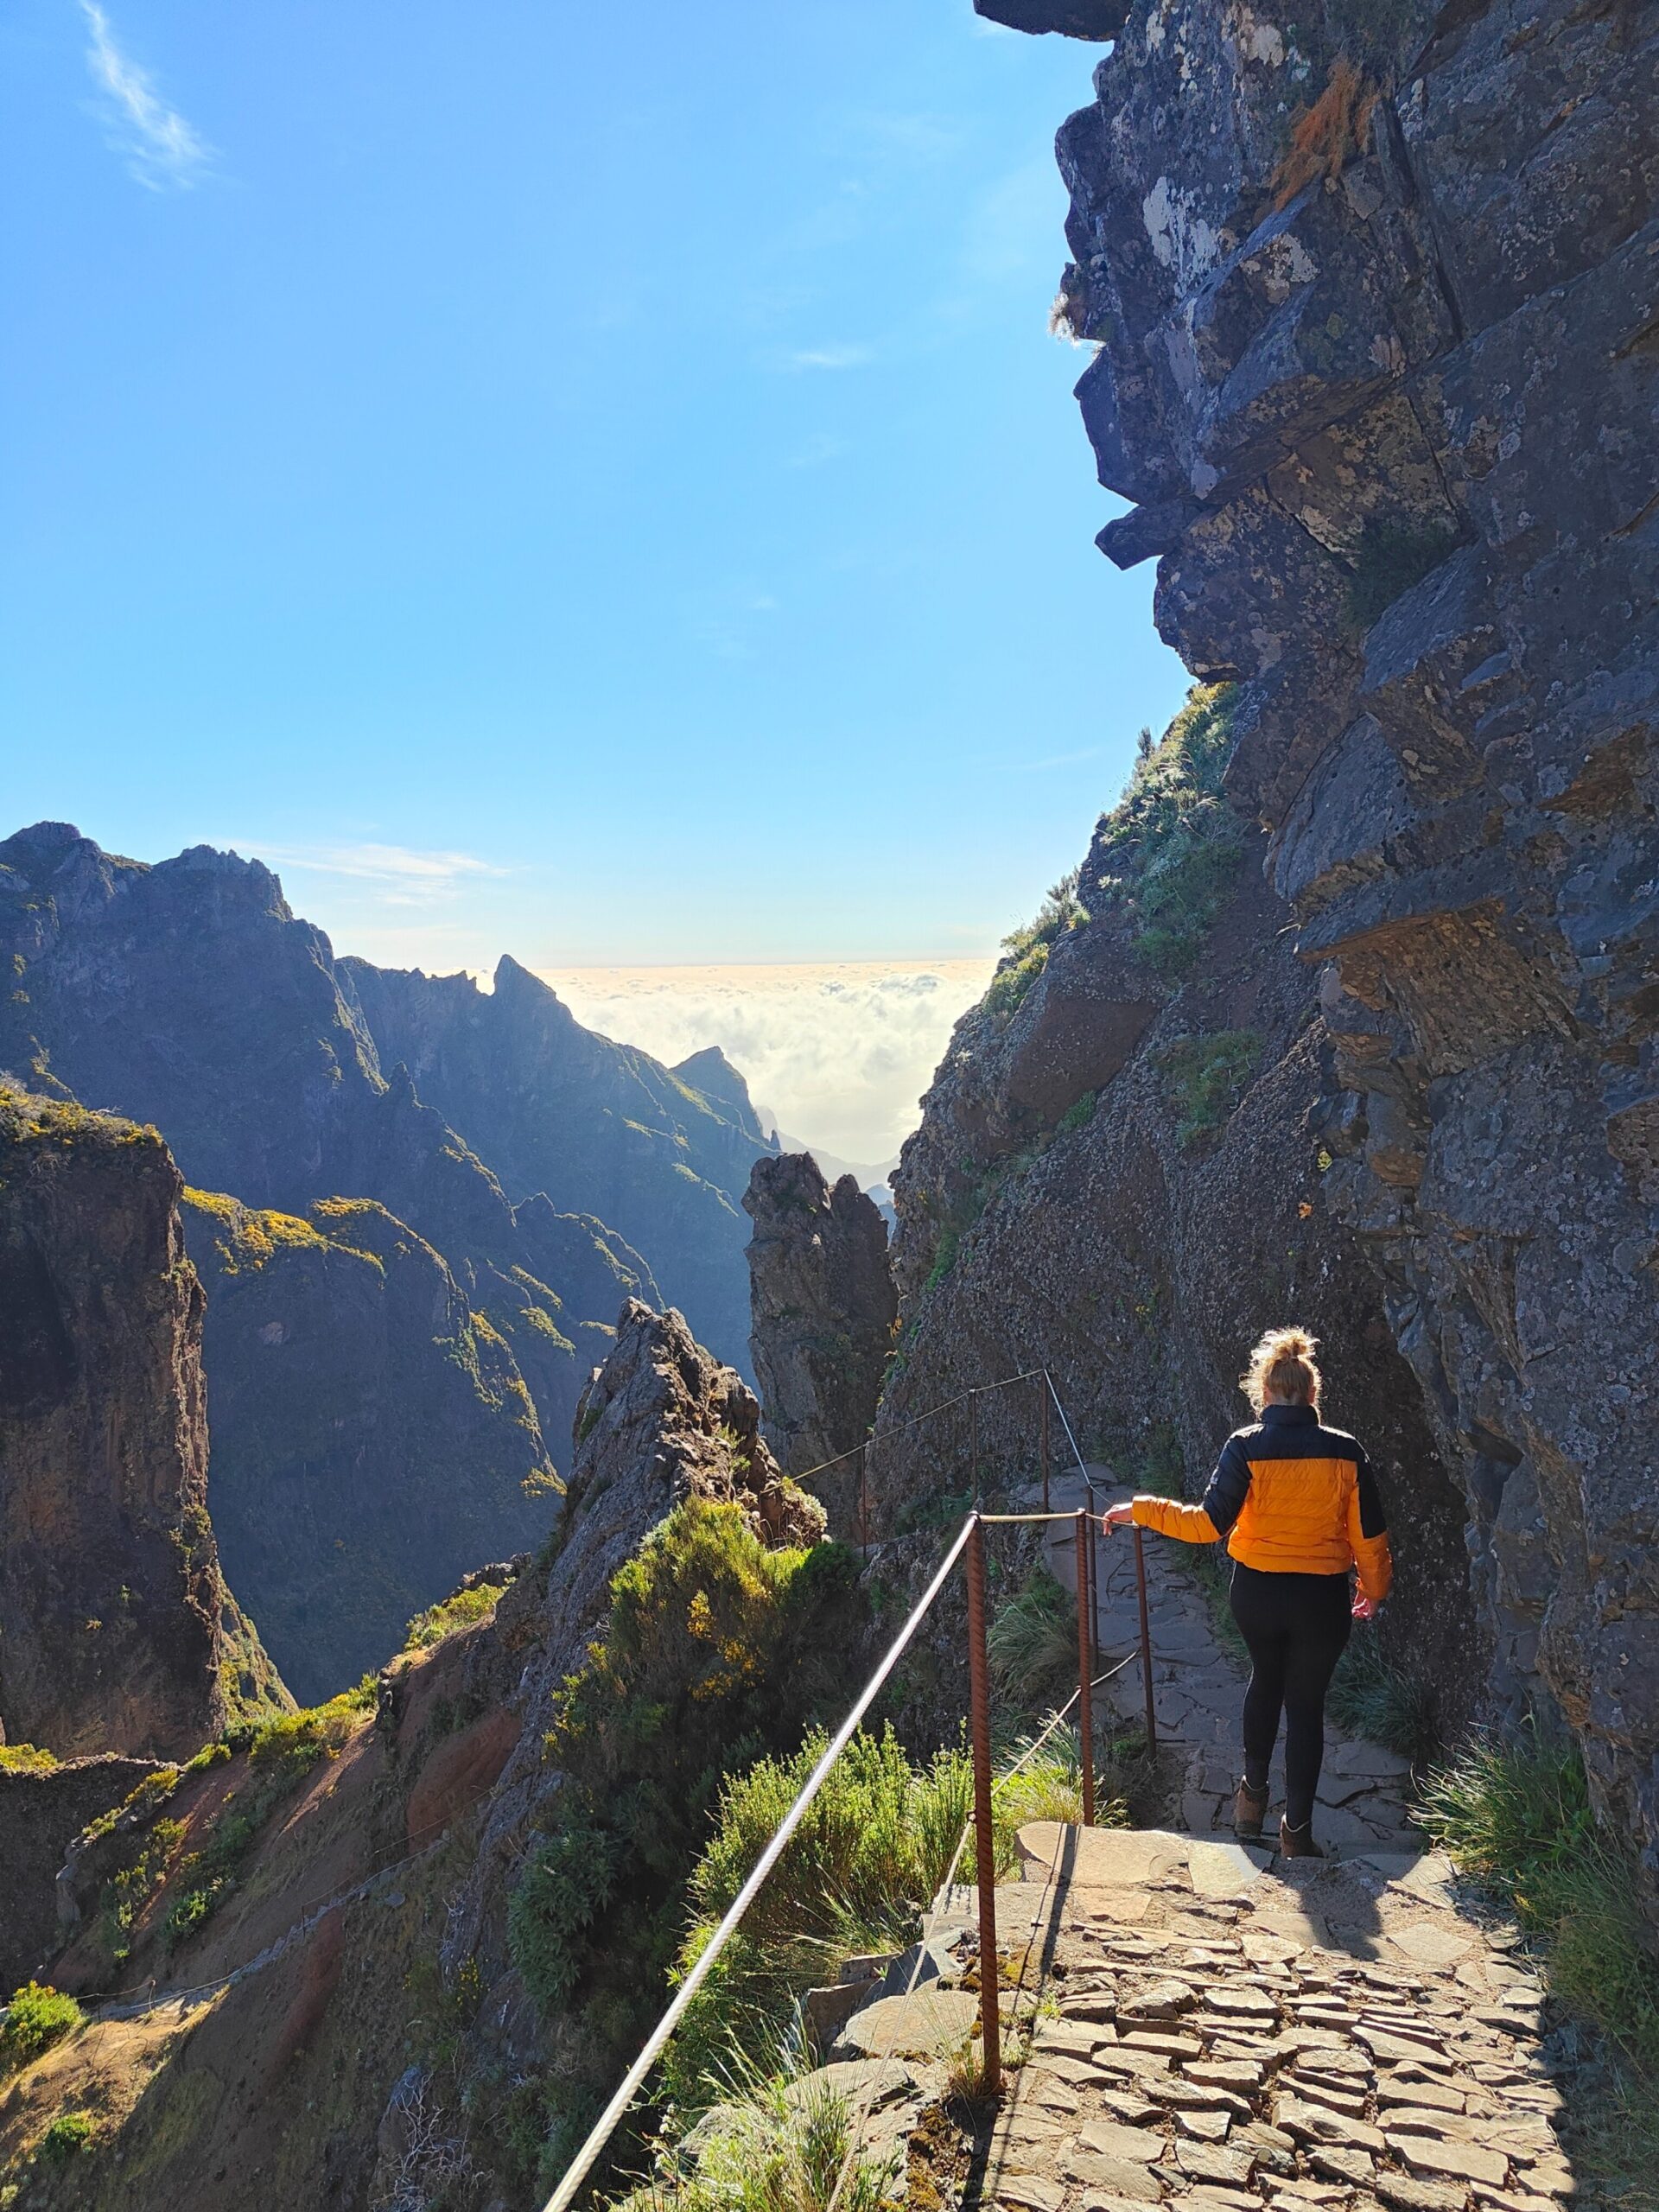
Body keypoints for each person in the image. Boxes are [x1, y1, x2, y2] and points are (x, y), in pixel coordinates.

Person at [1100, 1325, 1391, 1859]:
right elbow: (1369, 1538)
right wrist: (1373, 1589)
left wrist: (1141, 1508)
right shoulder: (1347, 1453)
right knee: (1306, 1705)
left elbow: (1208, 1524)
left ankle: (1250, 1800)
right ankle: (1296, 1834)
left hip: (1256, 1592)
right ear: (1312, 1393)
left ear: (1265, 1393)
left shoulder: (1245, 1446)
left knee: (1264, 1680)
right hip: (1321, 1599)